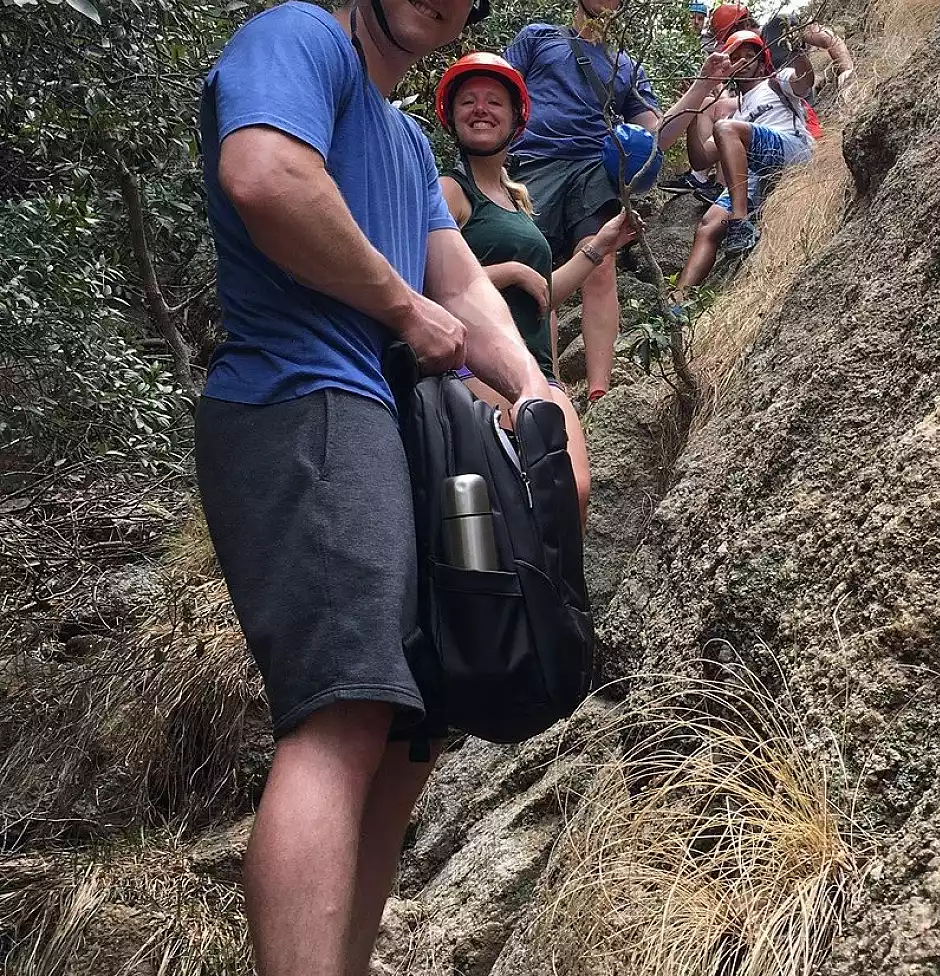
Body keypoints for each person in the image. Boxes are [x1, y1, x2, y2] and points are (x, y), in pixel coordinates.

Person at [194, 2, 553, 975]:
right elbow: (265, 175)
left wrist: (535, 386)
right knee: (345, 712)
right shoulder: (299, 38)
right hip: (301, 402)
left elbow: (462, 286)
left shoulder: (398, 136)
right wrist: (401, 308)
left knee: (406, 731)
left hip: (390, 431)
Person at [433, 53, 634, 523]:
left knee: (574, 492)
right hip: (482, 363)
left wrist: (598, 247)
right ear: (452, 117)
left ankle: (560, 598)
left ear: (517, 119)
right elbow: (426, 285)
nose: (480, 109)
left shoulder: (518, 198)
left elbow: (544, 296)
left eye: (493, 102)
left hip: (537, 368)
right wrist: (509, 271)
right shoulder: (450, 191)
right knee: (516, 502)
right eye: (468, 101)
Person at [503, 0, 733, 403]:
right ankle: (544, 382)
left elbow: (654, 137)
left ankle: (598, 392)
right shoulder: (537, 38)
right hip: (534, 162)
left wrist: (703, 83)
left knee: (600, 261)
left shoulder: (627, 65)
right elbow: (499, 94)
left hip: (593, 167)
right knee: (535, 266)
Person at [671, 29, 820, 300]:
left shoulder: (776, 83)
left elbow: (804, 81)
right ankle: (678, 301)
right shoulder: (736, 113)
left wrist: (796, 50)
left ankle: (740, 221)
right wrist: (691, 112)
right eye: (735, 57)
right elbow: (701, 159)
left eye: (749, 56)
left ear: (762, 61)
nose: (743, 61)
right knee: (708, 224)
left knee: (726, 128)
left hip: (793, 149)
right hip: (756, 163)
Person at [660, 1, 757, 199]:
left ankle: (720, 183)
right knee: (706, 105)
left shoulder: (754, 44)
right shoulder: (709, 44)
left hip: (755, 105)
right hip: (741, 99)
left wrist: (717, 93)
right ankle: (701, 175)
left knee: (720, 111)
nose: (696, 22)